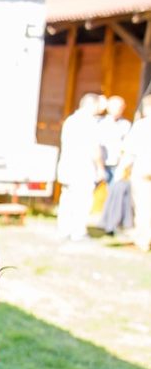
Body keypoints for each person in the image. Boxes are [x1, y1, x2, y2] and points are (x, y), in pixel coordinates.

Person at [55, 93, 105, 240]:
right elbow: (94, 149)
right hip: (83, 168)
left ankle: (64, 229)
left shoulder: (70, 120)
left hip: (67, 166)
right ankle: (78, 231)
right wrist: (100, 168)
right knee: (82, 201)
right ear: (92, 105)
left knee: (67, 199)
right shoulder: (89, 122)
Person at [118, 95, 151, 251]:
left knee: (143, 205)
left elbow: (130, 150)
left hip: (143, 169)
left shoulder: (142, 126)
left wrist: (122, 169)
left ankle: (143, 239)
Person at [99, 95, 133, 235]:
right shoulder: (101, 123)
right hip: (100, 162)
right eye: (116, 106)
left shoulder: (125, 125)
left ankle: (110, 226)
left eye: (121, 107)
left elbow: (128, 146)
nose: (119, 110)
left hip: (116, 164)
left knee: (114, 195)